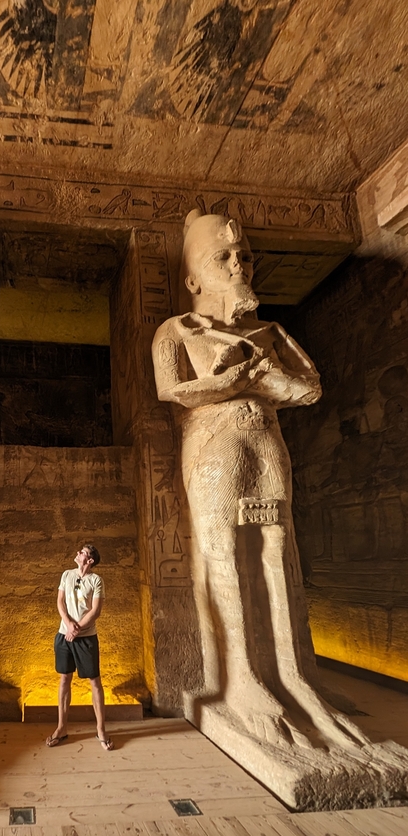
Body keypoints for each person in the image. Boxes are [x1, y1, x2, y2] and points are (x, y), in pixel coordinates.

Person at [151, 210, 368, 751]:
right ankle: (242, 680)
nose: (239, 265)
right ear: (193, 279)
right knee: (222, 556)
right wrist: (240, 378)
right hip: (214, 446)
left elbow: (310, 387)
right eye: (223, 257)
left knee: (277, 553)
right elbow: (172, 392)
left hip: (267, 444)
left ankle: (294, 676)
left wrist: (256, 375)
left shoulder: (269, 332)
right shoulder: (178, 330)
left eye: (244, 256)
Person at [46, 545, 113, 751]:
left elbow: (95, 611)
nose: (78, 553)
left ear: (90, 560)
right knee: (64, 679)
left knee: (95, 682)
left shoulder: (96, 580)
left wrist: (77, 630)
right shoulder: (67, 574)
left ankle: (101, 730)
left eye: (82, 552)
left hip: (86, 638)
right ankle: (61, 728)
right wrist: (68, 625)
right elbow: (60, 602)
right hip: (64, 635)